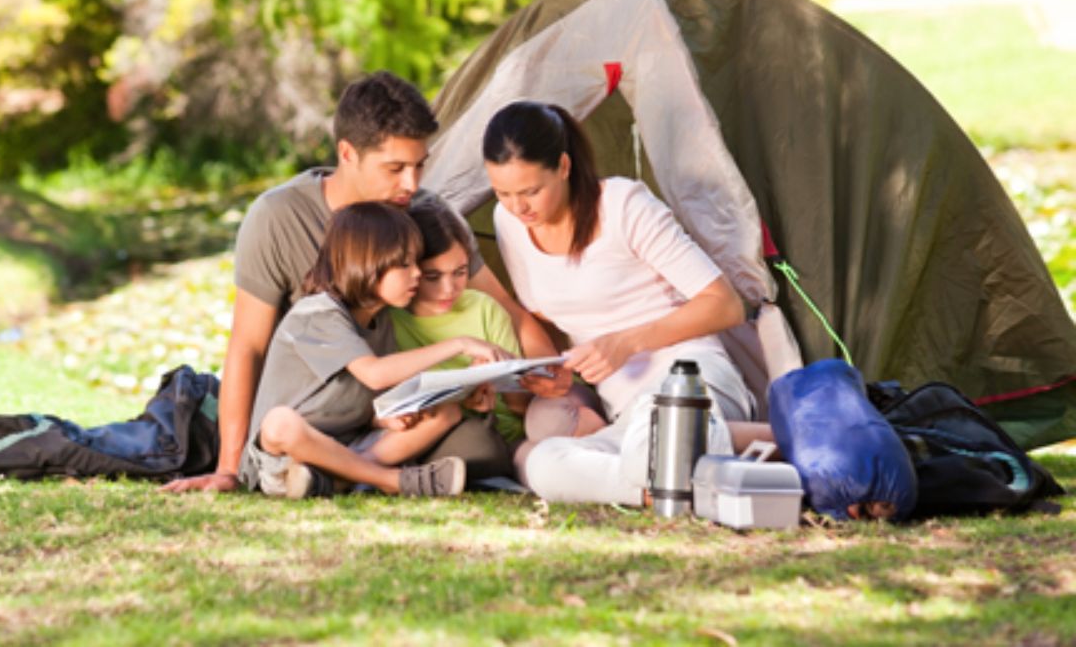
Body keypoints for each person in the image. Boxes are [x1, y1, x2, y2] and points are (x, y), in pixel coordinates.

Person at [164, 71, 561, 494]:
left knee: (477, 445)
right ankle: (359, 475)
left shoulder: (427, 213)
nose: (412, 184)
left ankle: (332, 474)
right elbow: (248, 345)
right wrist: (228, 468)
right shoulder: (278, 218)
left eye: (420, 165)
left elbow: (507, 311)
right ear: (348, 153)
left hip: (387, 415)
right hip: (315, 411)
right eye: (395, 168)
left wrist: (550, 377)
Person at [483, 100, 756, 505]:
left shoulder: (623, 206)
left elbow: (724, 304)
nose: (518, 206)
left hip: (690, 379)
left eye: (531, 191)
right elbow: (557, 318)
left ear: (563, 166)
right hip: (624, 416)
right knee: (539, 460)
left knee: (655, 431)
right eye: (502, 192)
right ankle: (657, 487)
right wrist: (560, 374)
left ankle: (678, 463)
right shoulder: (509, 223)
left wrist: (627, 342)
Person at [240, 202, 509, 498]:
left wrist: (384, 417)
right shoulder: (316, 314)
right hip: (285, 456)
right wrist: (459, 344)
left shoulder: (381, 322)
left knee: (445, 412)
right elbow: (375, 374)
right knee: (279, 423)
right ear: (366, 264)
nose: (417, 274)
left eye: (417, 263)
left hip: (349, 447)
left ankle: (337, 481)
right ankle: (393, 480)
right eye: (405, 264)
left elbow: (355, 399)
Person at [391, 195, 607, 481]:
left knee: (547, 422)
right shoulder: (393, 322)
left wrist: (503, 381)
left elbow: (520, 405)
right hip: (496, 440)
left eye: (460, 272)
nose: (449, 289)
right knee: (536, 467)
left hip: (533, 414)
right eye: (433, 276)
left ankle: (608, 437)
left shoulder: (482, 307)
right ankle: (602, 466)